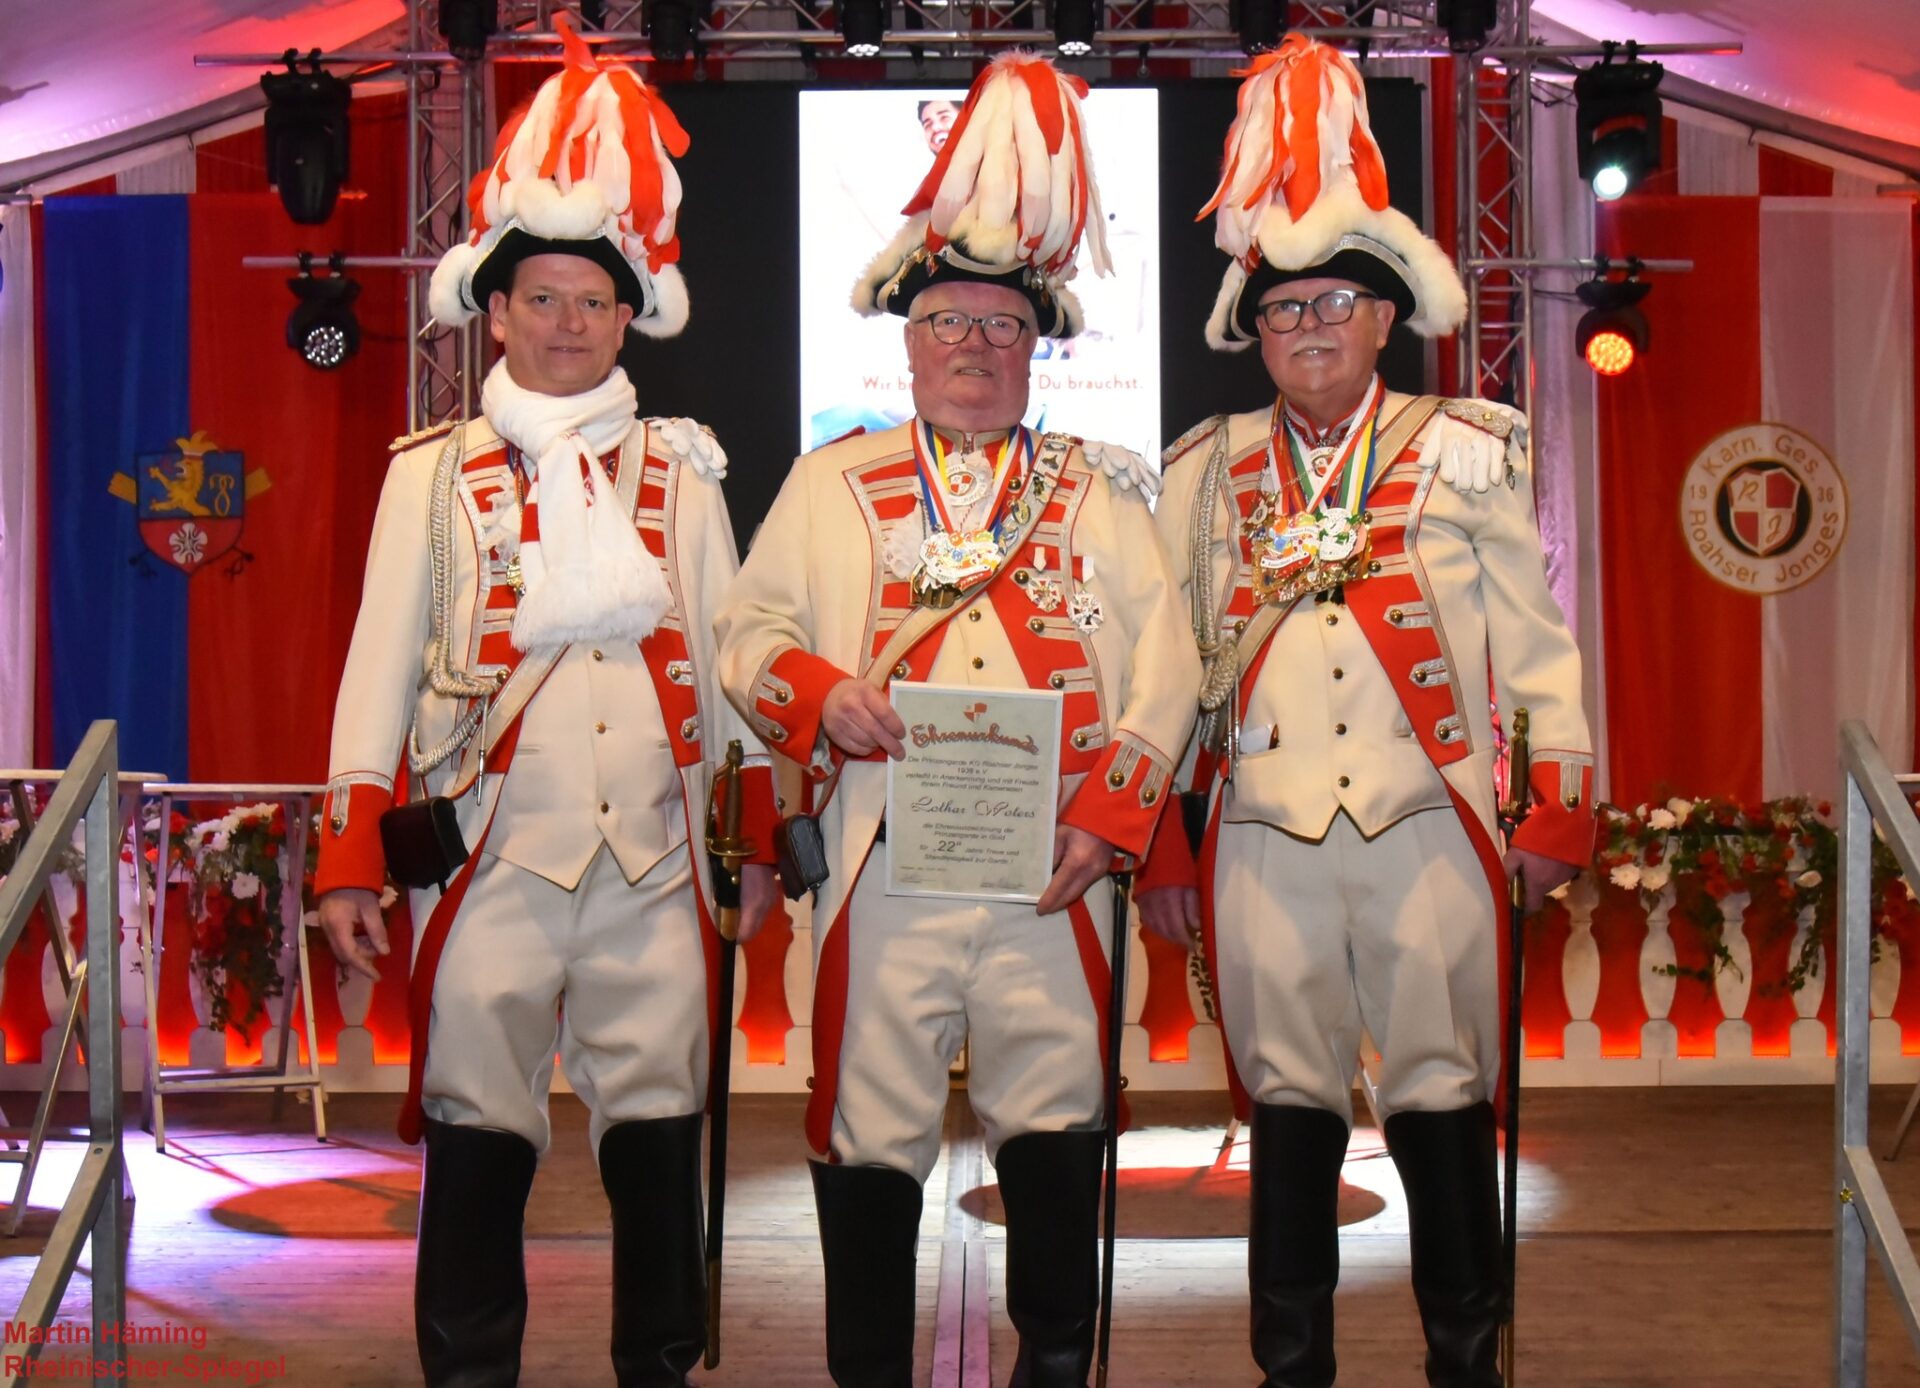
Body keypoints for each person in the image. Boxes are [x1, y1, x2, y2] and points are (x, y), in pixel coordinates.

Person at [715, 54, 1196, 1388]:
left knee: (1059, 1122)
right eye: (947, 325)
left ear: (1036, 348)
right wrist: (826, 697)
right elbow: (744, 640)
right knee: (867, 1134)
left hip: (1057, 873)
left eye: (999, 328)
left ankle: (1055, 1366)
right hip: (882, 869)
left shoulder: (1101, 491)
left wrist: (1112, 820)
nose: (973, 348)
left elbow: (1170, 669)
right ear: (907, 340)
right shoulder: (830, 483)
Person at [311, 20, 776, 1387]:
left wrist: (748, 847)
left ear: (628, 318)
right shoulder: (428, 473)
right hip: (490, 861)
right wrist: (348, 856)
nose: (568, 325)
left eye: (591, 303)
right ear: (496, 312)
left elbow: (731, 669)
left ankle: (657, 1368)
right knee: (475, 1136)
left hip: (654, 864)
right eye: (542, 300)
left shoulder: (684, 470)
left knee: (660, 1138)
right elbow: (376, 667)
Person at [1136, 37, 1596, 1388]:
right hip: (1263, 839)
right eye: (1284, 309)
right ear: (1256, 330)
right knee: (1288, 1108)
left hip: (1430, 830)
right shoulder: (1204, 472)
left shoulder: (1468, 447)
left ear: (1386, 318)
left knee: (1444, 1096)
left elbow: (1539, 648)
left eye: (1336, 302)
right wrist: (1161, 839)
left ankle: (1465, 1359)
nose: (1310, 327)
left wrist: (1557, 804)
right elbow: (1165, 672)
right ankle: (1293, 1367)